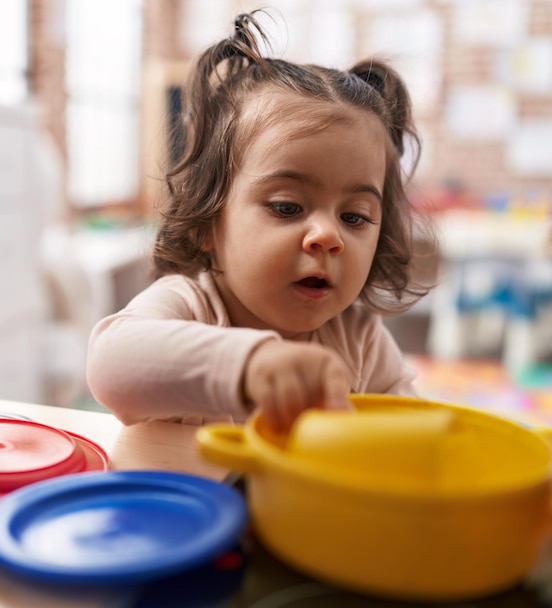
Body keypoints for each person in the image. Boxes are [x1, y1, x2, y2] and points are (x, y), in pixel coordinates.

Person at [86, 11, 438, 432]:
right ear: (207, 222)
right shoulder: (187, 305)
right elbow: (111, 363)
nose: (328, 235)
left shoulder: (357, 337)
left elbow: (411, 434)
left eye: (354, 216)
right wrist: (249, 363)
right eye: (288, 207)